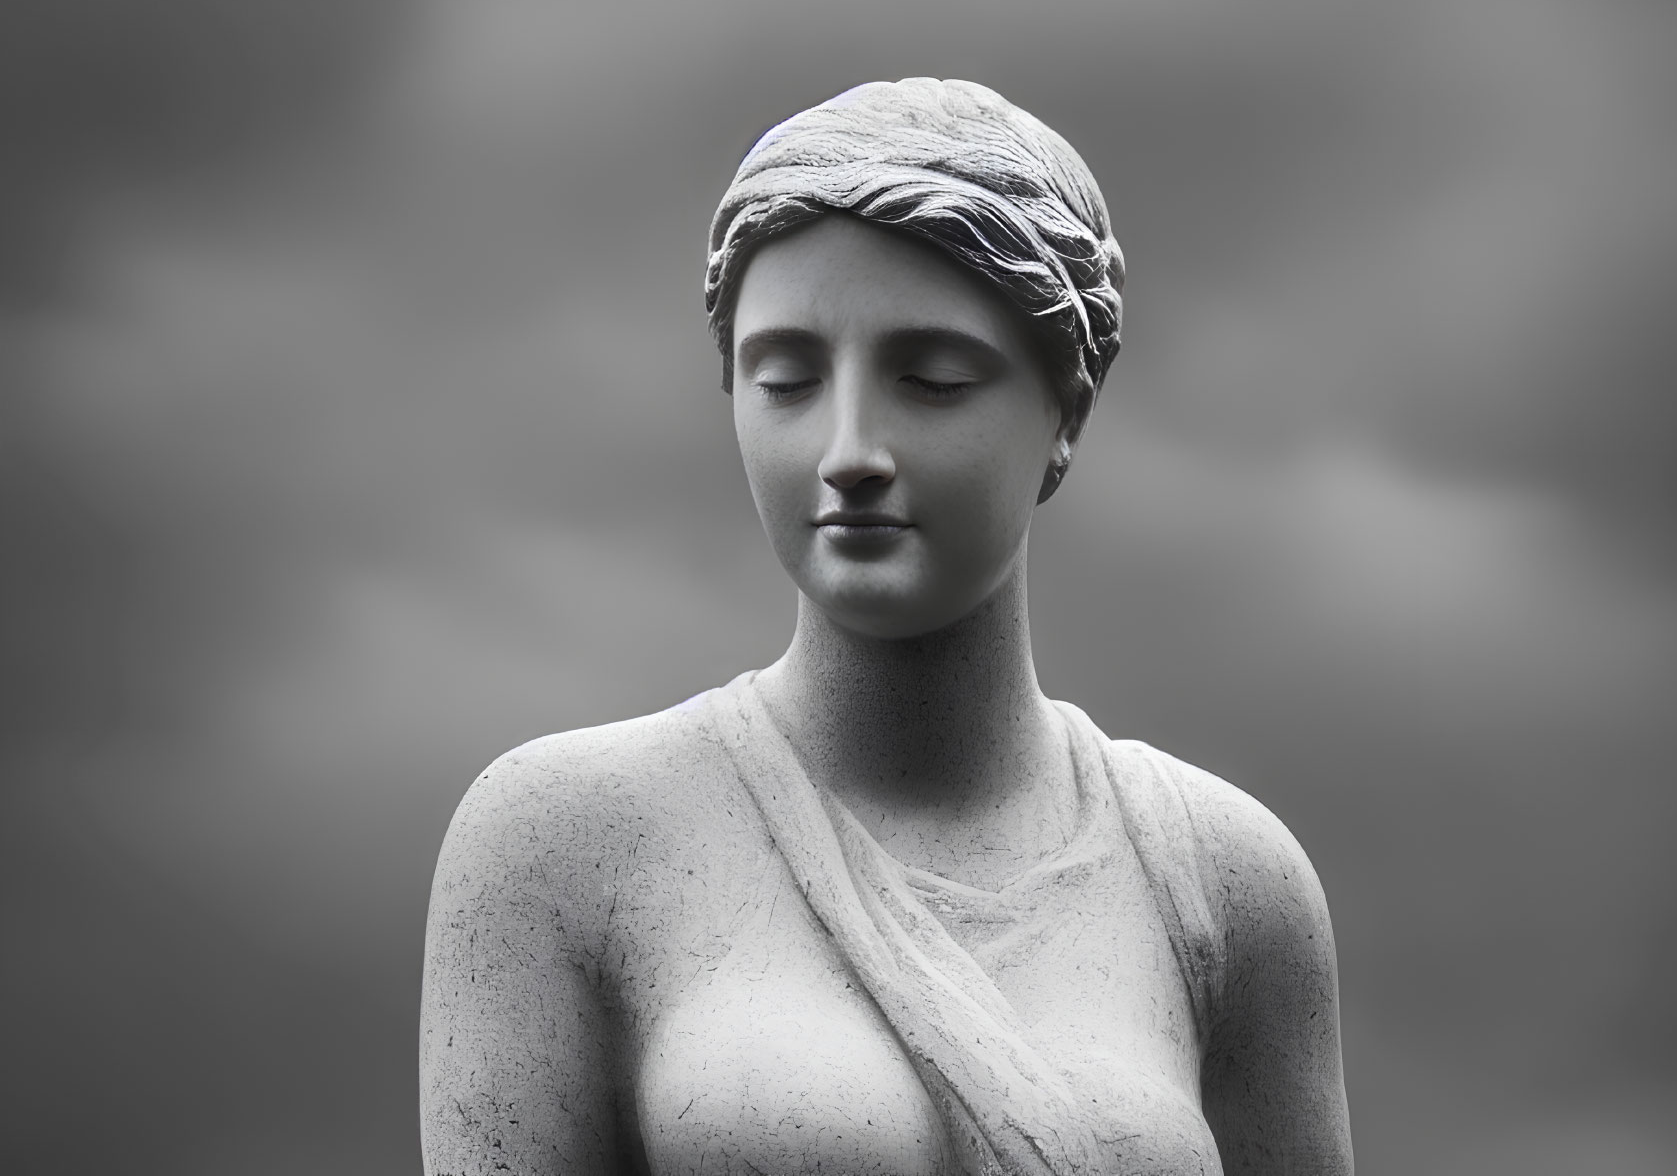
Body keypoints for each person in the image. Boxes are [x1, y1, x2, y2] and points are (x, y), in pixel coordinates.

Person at [419, 77, 1353, 1176]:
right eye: (786, 380)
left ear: (1066, 413)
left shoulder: (1227, 882)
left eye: (931, 379)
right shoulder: (562, 840)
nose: (848, 448)